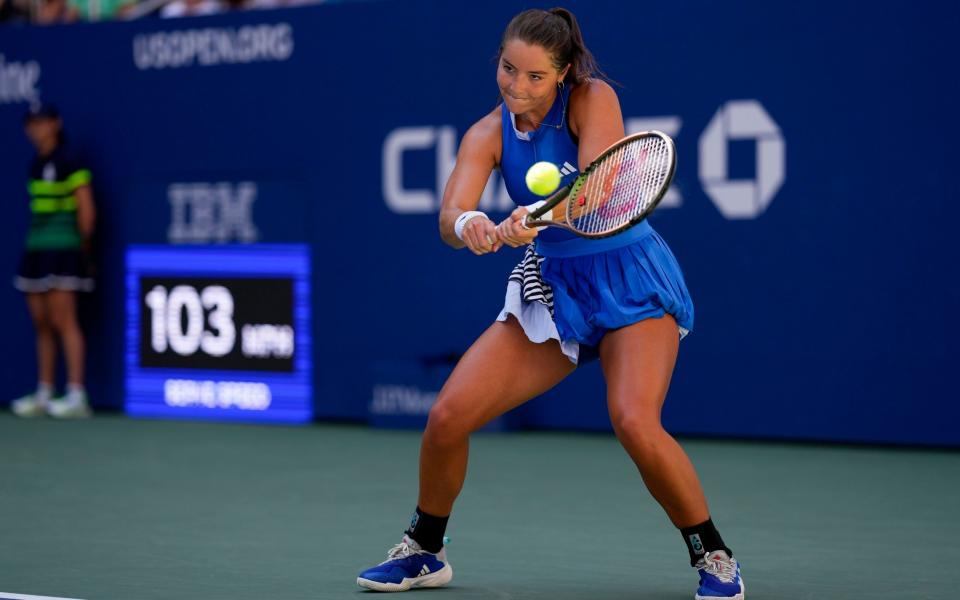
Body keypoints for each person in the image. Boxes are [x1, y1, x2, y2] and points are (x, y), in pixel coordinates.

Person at [357, 8, 745, 600]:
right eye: (508, 70)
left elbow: (598, 188)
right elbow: (447, 217)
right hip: (553, 287)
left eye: (535, 77)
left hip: (630, 279)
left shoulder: (594, 99)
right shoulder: (486, 133)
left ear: (562, 74)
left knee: (635, 421)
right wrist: (474, 226)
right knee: (446, 419)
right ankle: (425, 551)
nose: (517, 86)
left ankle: (713, 556)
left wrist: (531, 218)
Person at [10, 103, 94, 419]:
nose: (36, 128)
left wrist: (82, 249)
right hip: (36, 249)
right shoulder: (35, 164)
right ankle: (45, 391)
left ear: (56, 124)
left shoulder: (70, 160)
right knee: (41, 323)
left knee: (64, 321)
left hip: (64, 249)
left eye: (42, 122)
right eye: (32, 123)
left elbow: (86, 211)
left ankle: (75, 393)